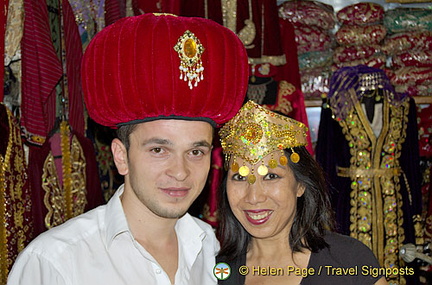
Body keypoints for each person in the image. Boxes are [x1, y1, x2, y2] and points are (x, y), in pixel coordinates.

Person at [7, 13, 249, 285]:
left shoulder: (210, 248)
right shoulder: (56, 261)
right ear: (121, 156)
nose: (181, 172)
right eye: (159, 150)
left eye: (196, 152)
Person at [216, 100, 389, 285]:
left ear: (300, 185)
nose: (254, 197)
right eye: (240, 178)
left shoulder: (349, 261)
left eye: (271, 176)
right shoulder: (218, 271)